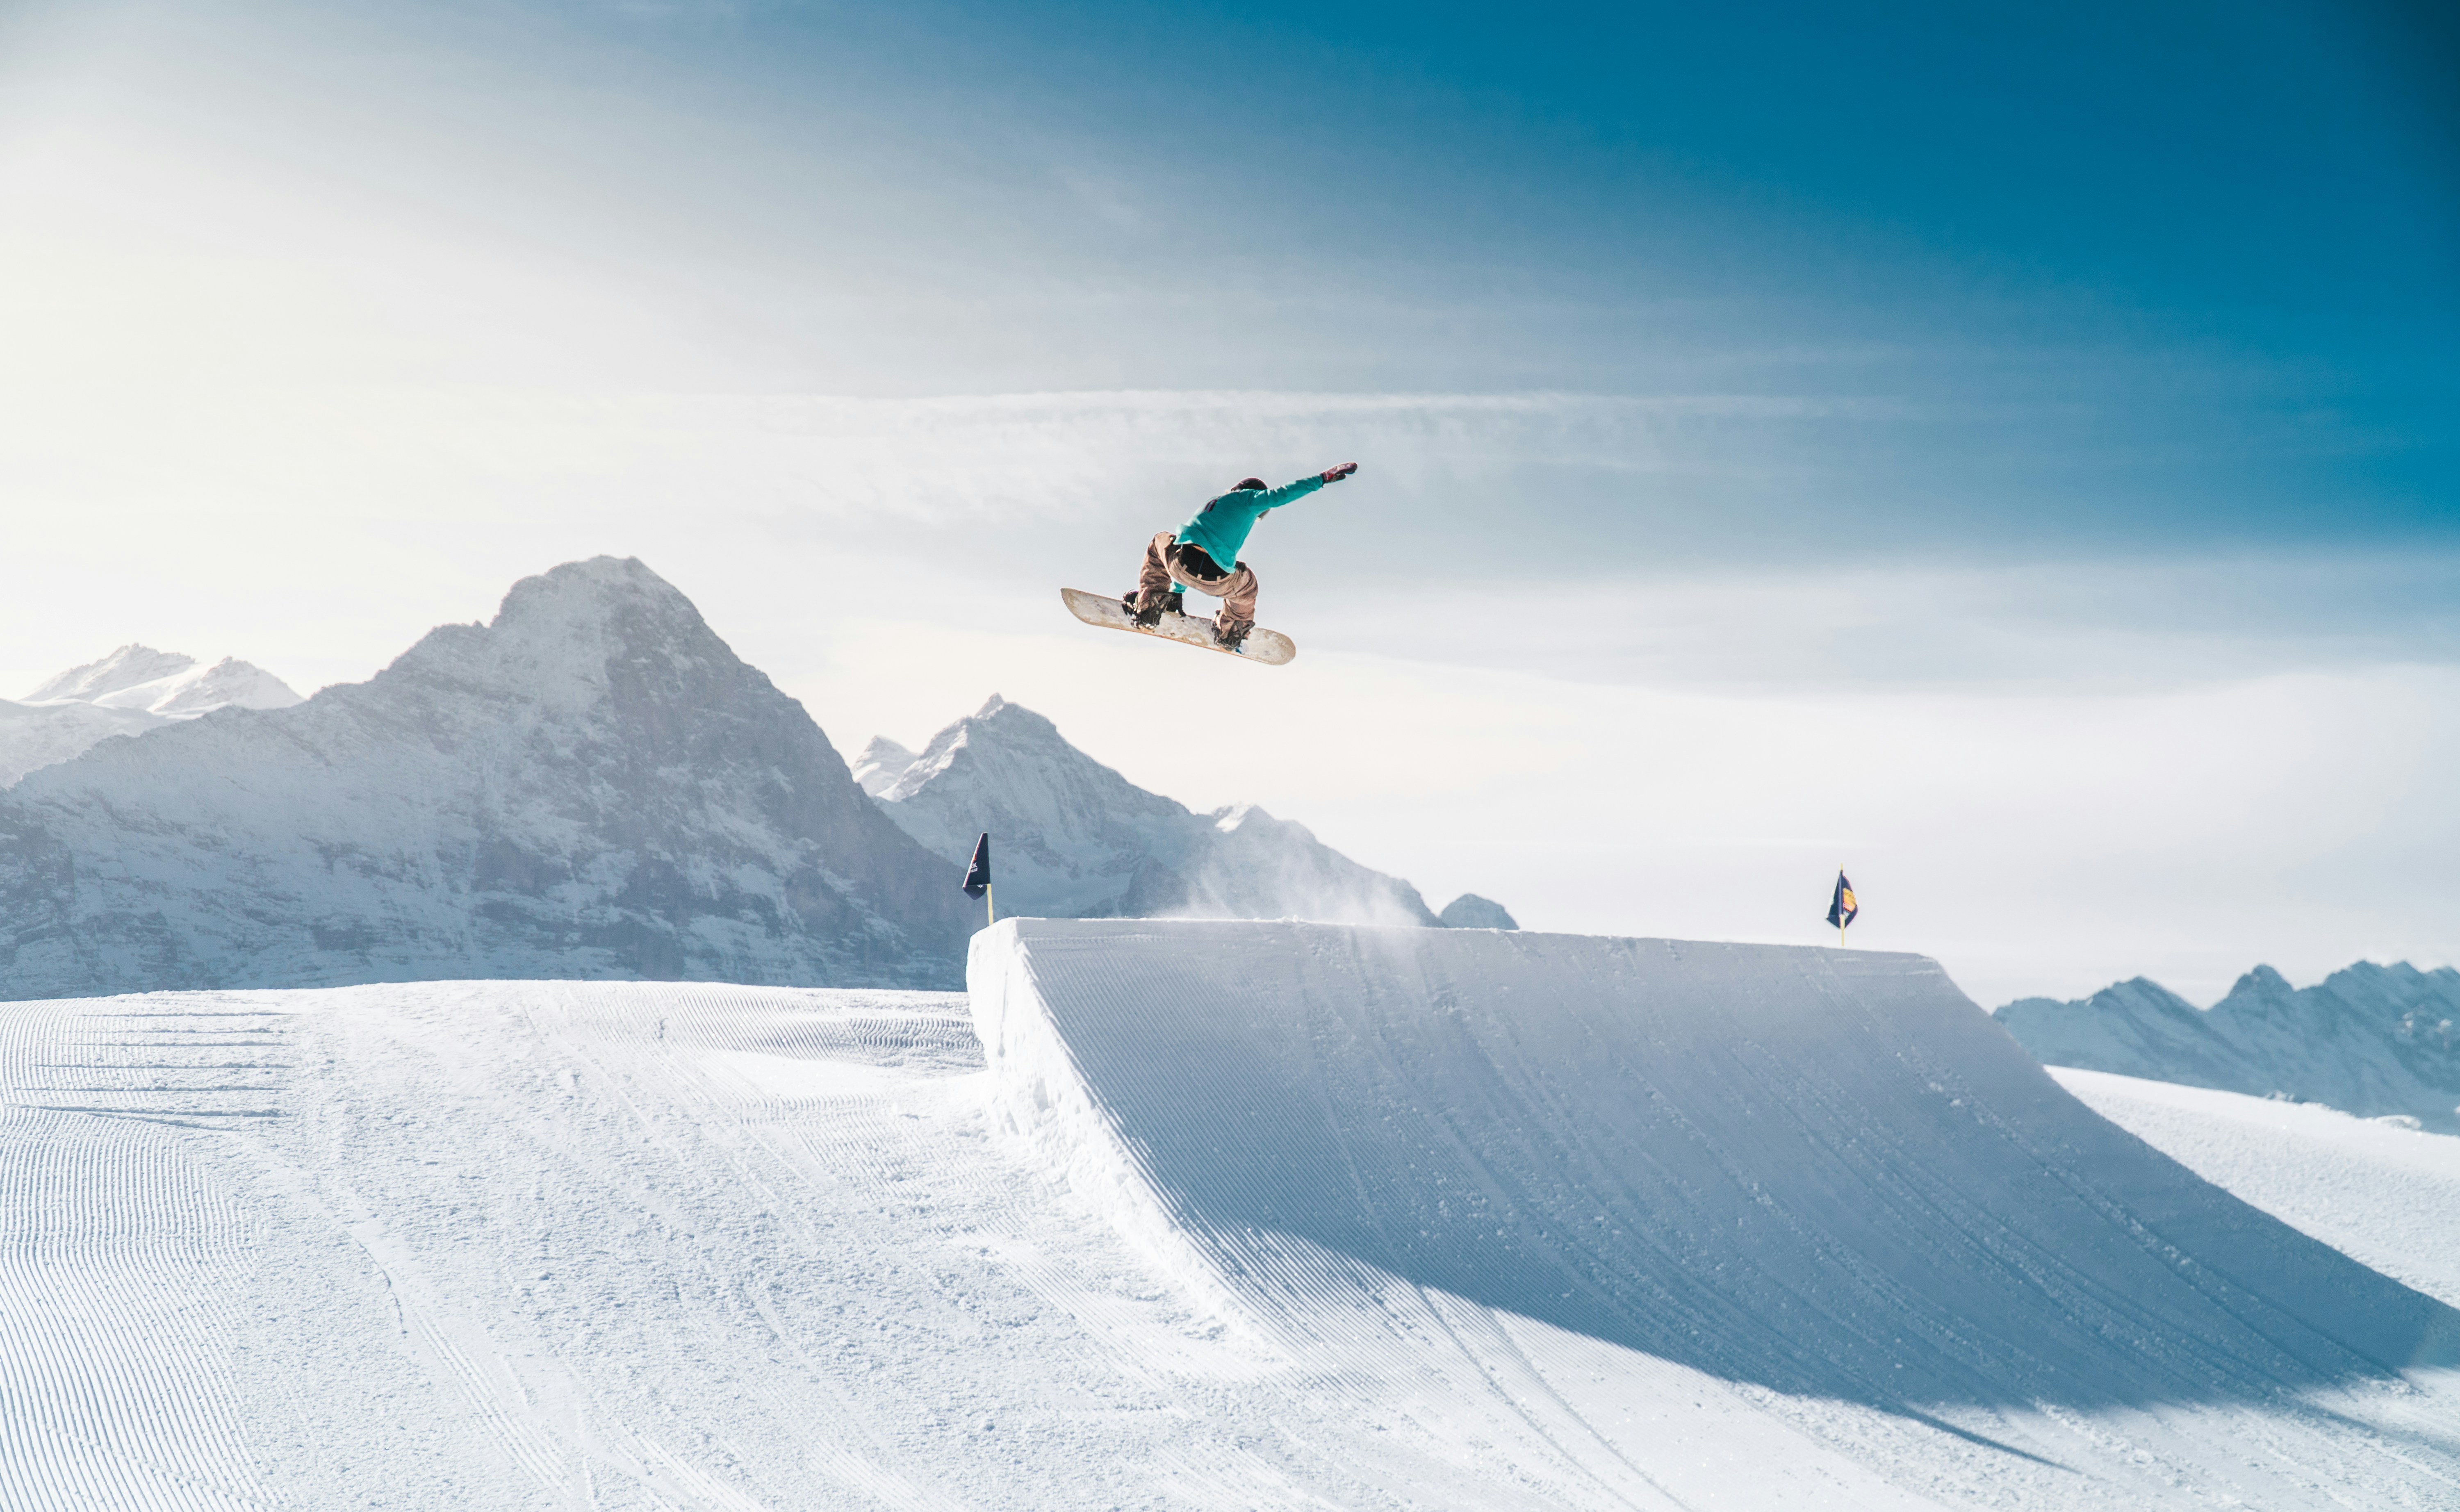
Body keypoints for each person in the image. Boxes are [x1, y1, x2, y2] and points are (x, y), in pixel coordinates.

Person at [1127, 463, 1358, 651]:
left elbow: (1190, 549)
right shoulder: (1247, 499)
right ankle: (1231, 631)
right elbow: (1281, 495)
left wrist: (1176, 593)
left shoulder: (1212, 504)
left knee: (1161, 541)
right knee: (1248, 586)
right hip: (1218, 580)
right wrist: (1322, 479)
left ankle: (1152, 602)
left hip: (1180, 566)